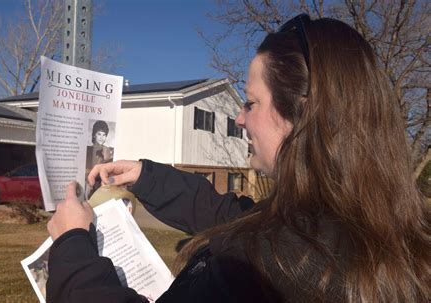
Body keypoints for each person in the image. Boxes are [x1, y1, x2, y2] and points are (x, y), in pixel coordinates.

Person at [46, 14, 431, 302]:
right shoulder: (375, 235)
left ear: (303, 114)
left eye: (251, 103)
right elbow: (236, 215)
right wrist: (146, 176)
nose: (238, 118)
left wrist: (72, 249)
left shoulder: (264, 268)